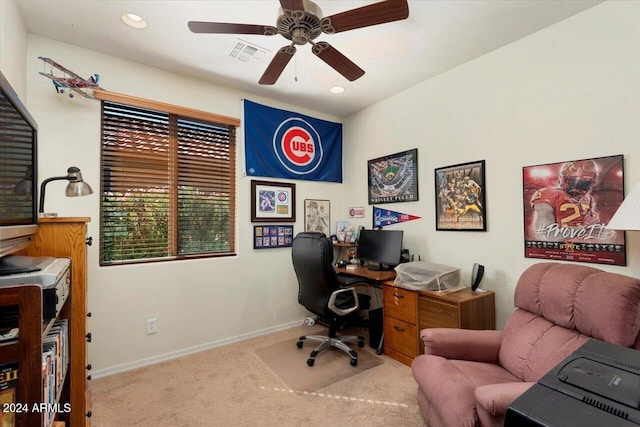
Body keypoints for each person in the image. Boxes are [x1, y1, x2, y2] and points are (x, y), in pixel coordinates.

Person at [530, 160, 600, 241]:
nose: (579, 187)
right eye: (576, 182)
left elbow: (589, 227)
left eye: (585, 184)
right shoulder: (548, 195)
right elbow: (545, 236)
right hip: (556, 249)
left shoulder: (588, 198)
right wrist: (584, 227)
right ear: (565, 178)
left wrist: (595, 229)